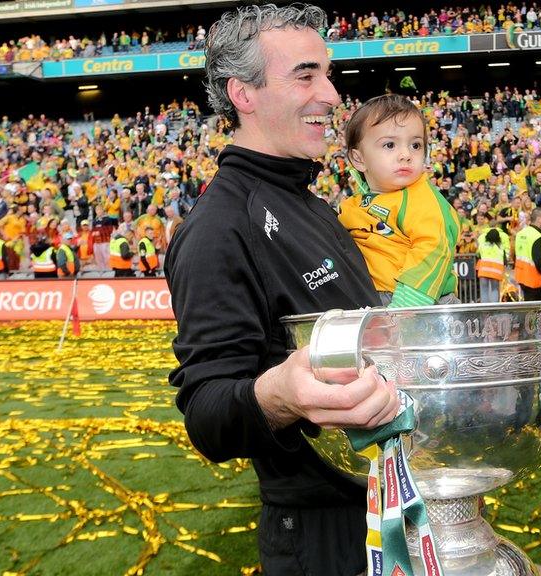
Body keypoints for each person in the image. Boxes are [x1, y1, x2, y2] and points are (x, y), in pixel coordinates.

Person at [165, 5, 399, 574]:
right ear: (243, 93)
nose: (333, 95)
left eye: (327, 73)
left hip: (388, 502)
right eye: (306, 75)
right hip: (324, 535)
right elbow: (207, 413)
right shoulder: (220, 226)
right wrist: (281, 394)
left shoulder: (313, 204)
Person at [338, 94, 460, 307]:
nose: (406, 154)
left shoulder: (422, 199)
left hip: (418, 300)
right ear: (359, 159)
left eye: (415, 145)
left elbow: (433, 249)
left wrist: (406, 306)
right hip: (372, 298)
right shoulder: (352, 206)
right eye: (389, 145)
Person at [514, 207, 541, 301]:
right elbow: (538, 262)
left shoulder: (521, 233)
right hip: (531, 277)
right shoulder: (536, 236)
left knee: (536, 308)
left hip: (521, 275)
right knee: (535, 311)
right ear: (539, 219)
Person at [476, 219, 507, 303]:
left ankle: (485, 311)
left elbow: (478, 251)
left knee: (484, 290)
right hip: (496, 269)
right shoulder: (502, 240)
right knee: (495, 289)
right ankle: (494, 309)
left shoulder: (482, 239)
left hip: (483, 268)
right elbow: (506, 252)